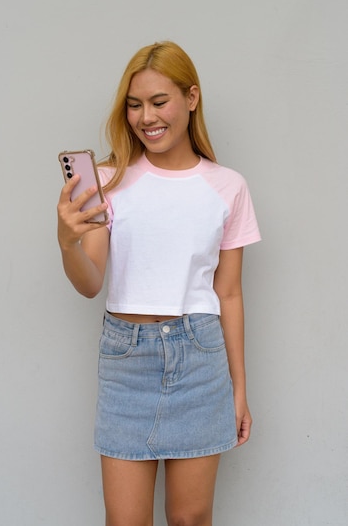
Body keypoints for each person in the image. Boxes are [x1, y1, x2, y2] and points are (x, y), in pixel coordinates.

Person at [57, 41, 261, 526]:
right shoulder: (107, 182)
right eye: (133, 105)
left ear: (191, 98)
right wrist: (68, 243)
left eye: (158, 101)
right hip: (127, 363)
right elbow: (90, 283)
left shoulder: (228, 186)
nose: (145, 117)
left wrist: (239, 387)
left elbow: (228, 293)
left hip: (200, 360)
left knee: (191, 520)